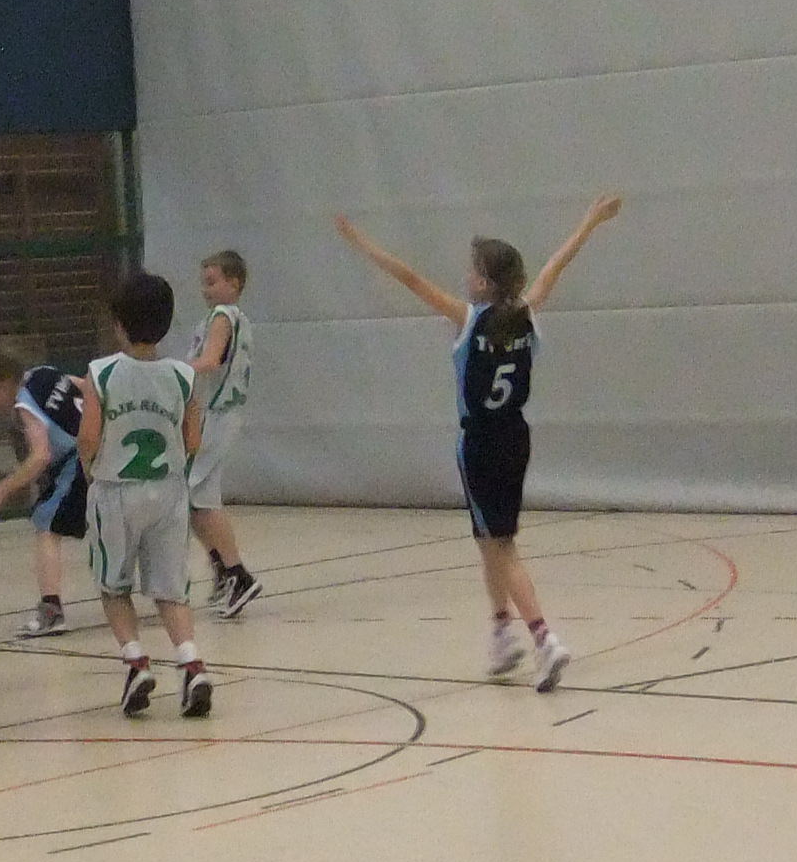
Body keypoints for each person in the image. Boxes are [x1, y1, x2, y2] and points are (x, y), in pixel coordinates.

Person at [334, 195, 623, 692]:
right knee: (488, 539)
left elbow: (409, 278)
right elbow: (557, 265)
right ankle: (501, 633)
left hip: (480, 443)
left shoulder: (469, 319)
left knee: (502, 546)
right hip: (516, 436)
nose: (465, 277)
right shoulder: (526, 314)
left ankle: (544, 638)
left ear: (484, 282)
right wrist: (589, 222)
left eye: (471, 271)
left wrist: (359, 241)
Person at [78, 272, 210, 715]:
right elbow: (193, 439)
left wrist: (88, 467)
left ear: (118, 323)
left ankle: (136, 662)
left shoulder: (102, 372)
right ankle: (191, 663)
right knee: (171, 589)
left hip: (116, 491)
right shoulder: (184, 375)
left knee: (113, 585)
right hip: (168, 491)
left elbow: (89, 436)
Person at [0, 344, 90, 634]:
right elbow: (88, 387)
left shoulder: (24, 404)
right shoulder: (45, 373)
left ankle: (51, 610)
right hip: (98, 449)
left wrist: (3, 488)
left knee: (46, 526)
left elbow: (41, 456)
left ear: (2, 383)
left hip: (75, 461)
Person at [187, 250, 263, 615]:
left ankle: (237, 574)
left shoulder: (222, 317)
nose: (206, 290)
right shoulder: (238, 318)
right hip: (222, 414)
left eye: (212, 282)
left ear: (234, 283)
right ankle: (223, 568)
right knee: (197, 497)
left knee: (196, 495)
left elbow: (209, 360)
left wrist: (171, 371)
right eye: (203, 283)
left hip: (214, 415)